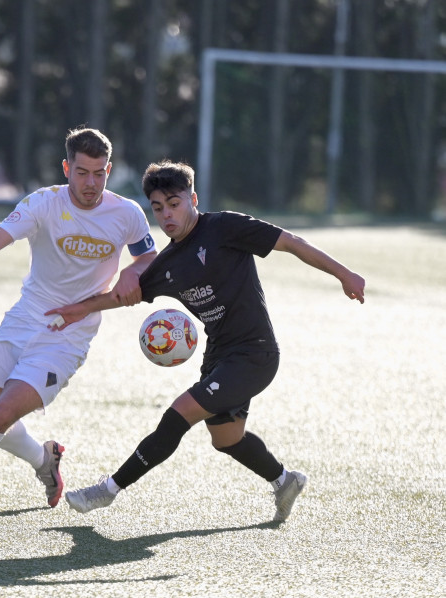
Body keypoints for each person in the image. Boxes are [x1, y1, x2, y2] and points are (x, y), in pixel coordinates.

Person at [48, 159, 365, 522]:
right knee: (226, 438)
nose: (166, 214)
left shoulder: (225, 227)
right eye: (158, 207)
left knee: (176, 416)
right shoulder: (167, 263)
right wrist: (77, 309)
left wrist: (344, 273)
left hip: (254, 354)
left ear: (193, 198)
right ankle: (284, 480)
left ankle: (107, 490)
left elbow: (291, 242)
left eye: (174, 203)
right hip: (219, 357)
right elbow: (123, 296)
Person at [0, 127, 158, 515]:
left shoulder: (127, 214)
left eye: (100, 173)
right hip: (23, 319)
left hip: (68, 337)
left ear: (110, 169)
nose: (91, 183)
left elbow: (148, 258)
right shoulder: (43, 203)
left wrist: (133, 272)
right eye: (82, 172)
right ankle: (44, 460)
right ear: (66, 167)